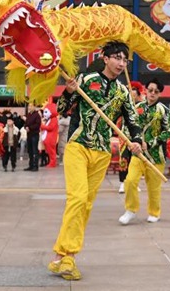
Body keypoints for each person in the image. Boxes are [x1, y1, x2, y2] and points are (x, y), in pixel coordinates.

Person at [47, 41, 142, 281]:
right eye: (117, 58)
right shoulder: (86, 79)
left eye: (125, 60)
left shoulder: (122, 91)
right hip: (78, 146)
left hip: (102, 152)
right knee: (77, 198)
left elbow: (132, 119)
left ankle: (62, 254)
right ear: (104, 57)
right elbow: (62, 108)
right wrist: (69, 91)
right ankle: (69, 256)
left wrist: (137, 140)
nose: (121, 63)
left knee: (85, 204)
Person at [119, 78, 170, 225]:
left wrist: (149, 144)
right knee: (130, 181)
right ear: (145, 91)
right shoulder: (137, 108)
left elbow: (167, 132)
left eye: (156, 91)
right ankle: (131, 210)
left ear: (160, 93)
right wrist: (131, 142)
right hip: (138, 154)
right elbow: (127, 125)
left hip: (156, 156)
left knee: (153, 187)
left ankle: (154, 212)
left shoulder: (164, 111)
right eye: (150, 90)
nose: (152, 93)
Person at [41, 102, 59, 168]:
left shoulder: (54, 120)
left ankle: (53, 163)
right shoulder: (50, 119)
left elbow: (51, 128)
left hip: (51, 138)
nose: (44, 114)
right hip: (49, 138)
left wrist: (42, 126)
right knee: (50, 152)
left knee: (51, 152)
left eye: (46, 112)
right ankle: (51, 162)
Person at [24, 104, 41, 171]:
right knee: (30, 151)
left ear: (34, 107)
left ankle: (35, 166)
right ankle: (30, 165)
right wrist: (26, 127)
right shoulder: (28, 115)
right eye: (29, 106)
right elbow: (26, 123)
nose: (29, 107)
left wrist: (30, 128)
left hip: (35, 135)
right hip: (29, 135)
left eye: (31, 106)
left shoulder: (37, 115)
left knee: (35, 151)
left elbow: (37, 124)